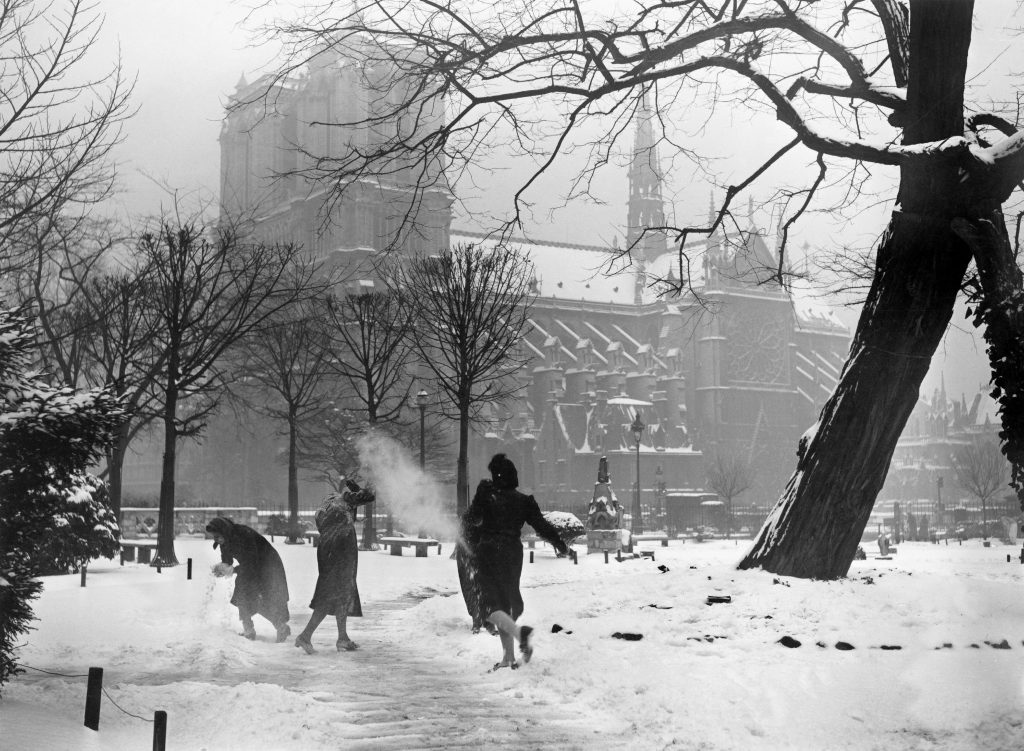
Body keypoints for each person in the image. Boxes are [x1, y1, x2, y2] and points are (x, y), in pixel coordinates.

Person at [459, 453, 569, 671]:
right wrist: (560, 543)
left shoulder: (488, 496)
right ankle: (508, 657)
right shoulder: (523, 501)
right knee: (504, 605)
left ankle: (520, 634)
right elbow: (542, 526)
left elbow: (470, 520)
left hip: (489, 552)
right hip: (512, 554)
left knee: (488, 607)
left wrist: (480, 498)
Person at [295, 479, 375, 654]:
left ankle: (342, 638)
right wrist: (358, 490)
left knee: (342, 596)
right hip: (340, 555)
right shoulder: (344, 499)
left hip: (328, 553)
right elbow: (369, 496)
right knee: (329, 596)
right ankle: (305, 636)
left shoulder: (328, 505)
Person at [206, 517, 291, 642]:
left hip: (268, 565)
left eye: (217, 536)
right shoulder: (224, 541)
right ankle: (249, 629)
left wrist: (234, 570)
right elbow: (227, 560)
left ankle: (280, 626)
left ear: (224, 531)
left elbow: (252, 560)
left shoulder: (244, 534)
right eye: (214, 537)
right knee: (242, 593)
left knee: (263, 598)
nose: (216, 540)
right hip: (251, 566)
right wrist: (222, 568)